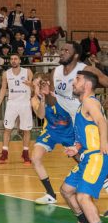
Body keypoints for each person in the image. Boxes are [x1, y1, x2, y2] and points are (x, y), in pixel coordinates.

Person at [60, 71, 108, 223]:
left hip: (97, 155)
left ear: (87, 85)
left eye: (77, 79)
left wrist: (104, 143)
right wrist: (77, 148)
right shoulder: (82, 106)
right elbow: (90, 131)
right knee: (66, 190)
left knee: (82, 196)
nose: (73, 83)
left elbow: (102, 122)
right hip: (87, 155)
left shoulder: (90, 101)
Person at [30, 75, 74, 205]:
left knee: (85, 158)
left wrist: (51, 95)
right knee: (35, 158)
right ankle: (50, 194)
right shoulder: (34, 99)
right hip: (51, 131)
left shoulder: (60, 94)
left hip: (69, 130)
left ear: (48, 83)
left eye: (40, 84)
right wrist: (43, 99)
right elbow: (41, 115)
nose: (37, 88)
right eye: (36, 86)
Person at [0, 54, 34, 164]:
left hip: (25, 103)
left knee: (26, 130)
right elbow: (3, 89)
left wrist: (31, 84)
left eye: (15, 59)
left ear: (20, 60)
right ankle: (4, 153)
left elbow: (35, 87)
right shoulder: (6, 73)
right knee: (7, 129)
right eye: (12, 59)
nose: (13, 61)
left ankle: (25, 153)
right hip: (12, 104)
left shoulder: (28, 71)